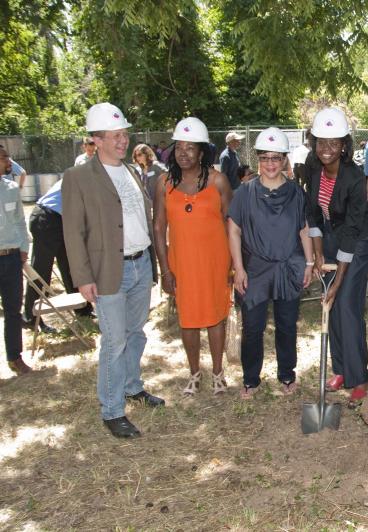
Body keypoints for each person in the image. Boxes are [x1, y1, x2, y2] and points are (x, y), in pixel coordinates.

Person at [62, 102, 164, 439]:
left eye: (124, 135)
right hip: (109, 272)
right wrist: (83, 278)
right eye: (115, 136)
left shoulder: (132, 172)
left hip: (140, 264)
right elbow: (73, 231)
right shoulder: (78, 178)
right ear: (97, 140)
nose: (123, 141)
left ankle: (132, 386)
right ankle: (111, 409)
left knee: (136, 333)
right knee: (114, 341)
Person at [227, 128, 314, 399]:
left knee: (287, 324)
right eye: (265, 158)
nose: (271, 164)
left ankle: (287, 374)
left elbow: (304, 229)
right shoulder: (244, 193)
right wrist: (239, 268)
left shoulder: (296, 193)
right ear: (257, 160)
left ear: (285, 159)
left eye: (276, 158)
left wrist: (309, 263)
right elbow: (233, 230)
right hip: (254, 269)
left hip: (289, 266)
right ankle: (251, 379)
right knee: (252, 327)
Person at [153, 117, 232, 397]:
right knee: (188, 318)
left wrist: (233, 264)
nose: (183, 153)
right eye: (179, 148)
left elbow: (230, 224)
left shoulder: (218, 181)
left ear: (201, 152)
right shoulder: (164, 183)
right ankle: (194, 373)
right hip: (181, 263)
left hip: (215, 261)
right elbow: (159, 227)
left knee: (215, 317)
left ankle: (219, 374)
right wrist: (165, 269)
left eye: (190, 148)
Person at [307, 107, 368, 406]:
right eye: (321, 141)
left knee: (346, 302)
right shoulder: (312, 166)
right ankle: (340, 370)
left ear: (344, 145)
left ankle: (360, 376)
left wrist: (339, 278)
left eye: (334, 142)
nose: (327, 149)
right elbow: (313, 212)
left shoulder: (354, 178)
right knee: (329, 304)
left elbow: (352, 229)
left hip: (358, 239)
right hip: (331, 234)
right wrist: (319, 252)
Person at [23, 178, 94, 334]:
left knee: (72, 266)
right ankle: (30, 318)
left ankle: (82, 309)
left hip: (61, 220)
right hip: (47, 218)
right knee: (41, 271)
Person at [0, 146, 32, 375]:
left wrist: (23, 249)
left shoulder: (11, 188)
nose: (7, 161)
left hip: (11, 257)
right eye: (4, 157)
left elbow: (20, 221)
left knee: (13, 309)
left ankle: (15, 357)